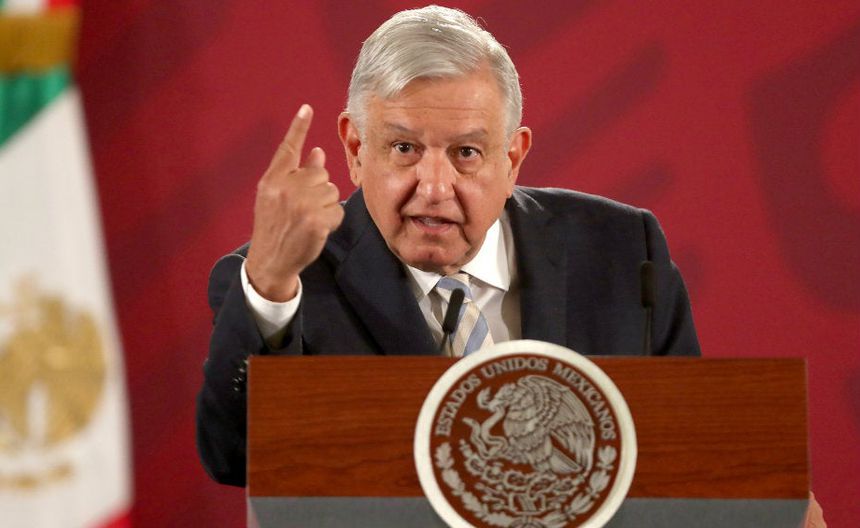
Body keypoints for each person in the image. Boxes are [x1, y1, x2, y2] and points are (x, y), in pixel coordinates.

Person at [196, 5, 700, 489]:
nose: (435, 187)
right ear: (355, 149)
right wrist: (271, 286)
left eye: (466, 153)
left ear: (512, 158)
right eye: (404, 148)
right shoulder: (282, 283)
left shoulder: (623, 252)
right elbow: (235, 457)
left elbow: (691, 450)